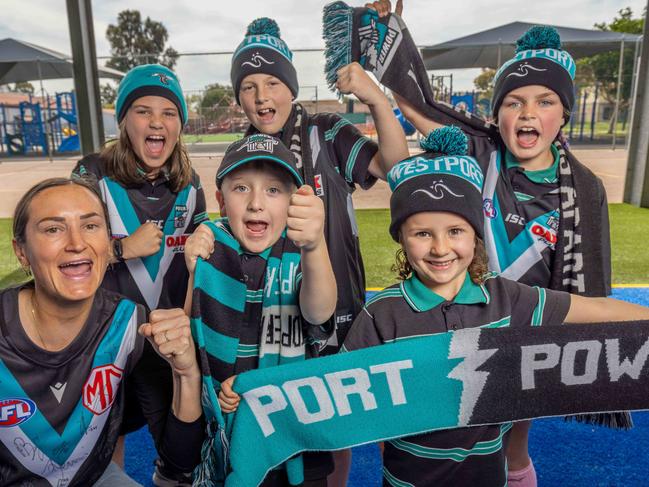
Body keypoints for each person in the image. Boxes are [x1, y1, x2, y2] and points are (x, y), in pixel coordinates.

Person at [354, 13, 612, 484]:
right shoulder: (480, 153)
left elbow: (587, 278)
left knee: (511, 446)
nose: (528, 113)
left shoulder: (583, 187)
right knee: (445, 428)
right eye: (514, 101)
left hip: (527, 324)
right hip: (462, 313)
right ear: (497, 113)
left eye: (545, 100)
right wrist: (386, 42)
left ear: (565, 112)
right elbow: (418, 108)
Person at [342, 127, 649, 487]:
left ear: (476, 234)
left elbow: (597, 310)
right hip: (405, 479)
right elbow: (348, 397)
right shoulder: (381, 312)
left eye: (455, 231)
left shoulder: (507, 298)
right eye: (422, 233)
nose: (441, 248)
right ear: (401, 237)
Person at [231, 17, 408, 482]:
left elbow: (395, 166)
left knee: (335, 429)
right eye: (248, 86)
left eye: (272, 82)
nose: (261, 96)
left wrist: (374, 98)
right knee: (281, 426)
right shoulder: (244, 149)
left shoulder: (326, 132)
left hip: (339, 307)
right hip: (273, 317)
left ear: (291, 85)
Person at [1, 177, 203, 486]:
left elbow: (179, 460)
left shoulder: (129, 323)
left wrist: (186, 373)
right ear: (22, 251)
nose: (76, 243)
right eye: (53, 229)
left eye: (91, 226)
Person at [72, 63, 208, 486]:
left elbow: (197, 271)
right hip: (102, 341)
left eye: (168, 113)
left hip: (161, 342)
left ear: (180, 124)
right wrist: (120, 249)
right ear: (124, 119)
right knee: (97, 445)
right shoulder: (92, 173)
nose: (156, 122)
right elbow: (63, 254)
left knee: (181, 458)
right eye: (143, 110)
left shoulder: (190, 184)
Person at [185, 134, 337, 486]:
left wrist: (314, 246)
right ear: (221, 201)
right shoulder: (211, 246)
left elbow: (318, 312)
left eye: (273, 190)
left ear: (294, 202)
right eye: (241, 189)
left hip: (297, 432)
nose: (256, 203)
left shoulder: (302, 253)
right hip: (230, 430)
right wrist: (194, 271)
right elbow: (191, 338)